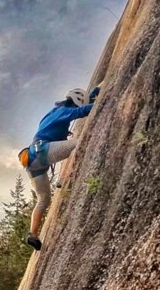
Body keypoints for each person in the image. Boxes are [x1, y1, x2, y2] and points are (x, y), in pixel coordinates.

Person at [21, 85, 100, 251]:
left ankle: (33, 235)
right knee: (80, 144)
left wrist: (95, 92)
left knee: (43, 199)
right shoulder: (62, 111)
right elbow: (81, 111)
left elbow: (81, 104)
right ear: (76, 100)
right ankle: (61, 179)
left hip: (32, 160)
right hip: (43, 151)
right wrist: (101, 102)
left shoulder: (54, 111)